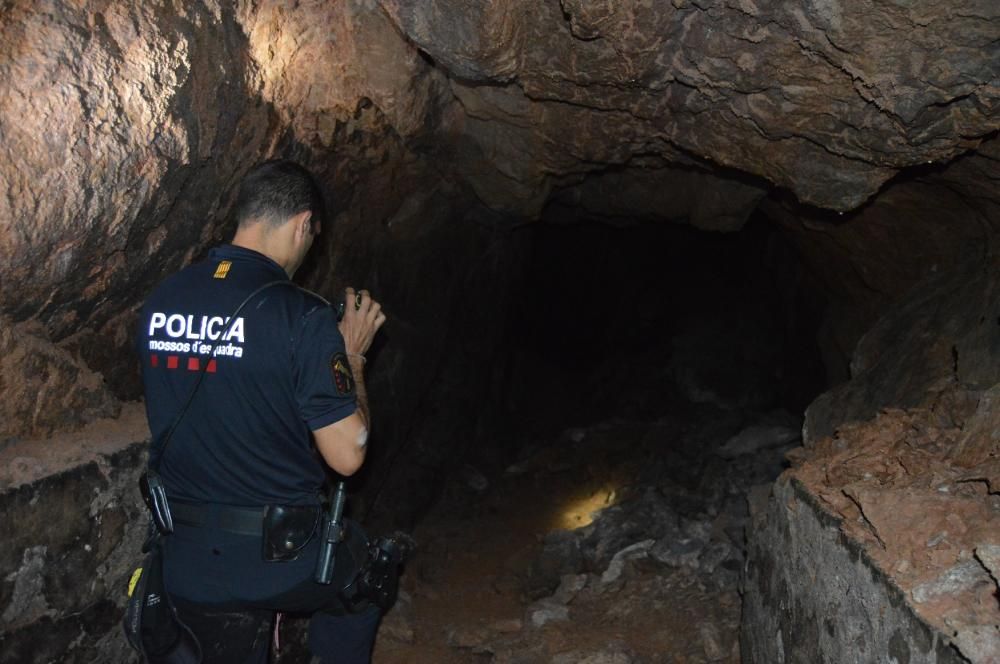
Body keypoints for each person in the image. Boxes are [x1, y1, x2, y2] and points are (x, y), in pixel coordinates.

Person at [136, 159, 386, 663]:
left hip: (181, 555)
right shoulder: (303, 316)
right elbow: (348, 456)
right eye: (312, 235)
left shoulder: (162, 299)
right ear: (302, 224)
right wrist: (352, 354)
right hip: (277, 560)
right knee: (369, 578)